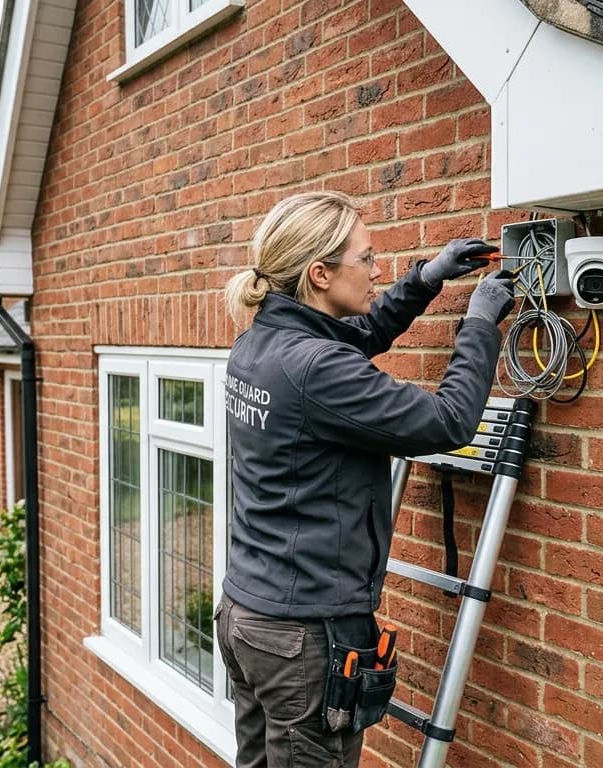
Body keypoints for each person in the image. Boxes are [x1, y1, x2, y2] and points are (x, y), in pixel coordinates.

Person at [217, 190, 515, 768]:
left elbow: (358, 335)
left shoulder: (259, 344)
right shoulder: (314, 367)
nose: (377, 269)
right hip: (304, 636)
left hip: (248, 618)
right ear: (320, 273)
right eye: (367, 259)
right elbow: (447, 421)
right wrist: (479, 322)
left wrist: (425, 279)